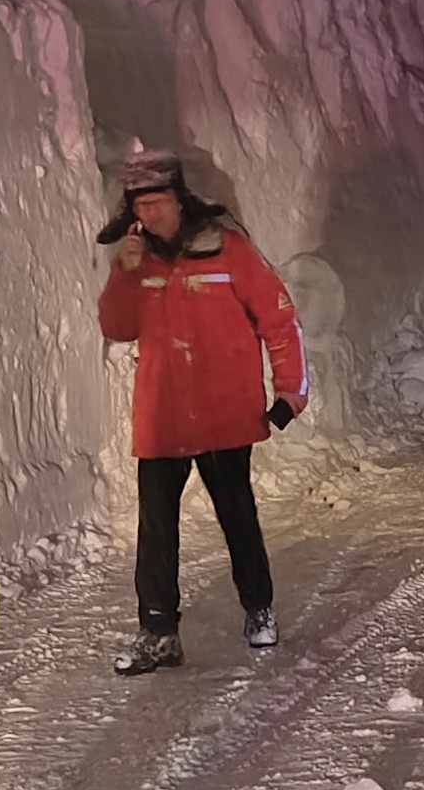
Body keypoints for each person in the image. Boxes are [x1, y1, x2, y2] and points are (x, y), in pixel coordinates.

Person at [95, 146, 308, 674]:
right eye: (139, 205)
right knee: (156, 530)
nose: (148, 214)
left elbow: (280, 319)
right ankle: (159, 632)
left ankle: (259, 608)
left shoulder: (227, 250)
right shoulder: (136, 262)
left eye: (156, 202)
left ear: (179, 200)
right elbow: (117, 327)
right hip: (162, 417)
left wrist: (290, 393)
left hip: (224, 413)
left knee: (238, 516)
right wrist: (123, 273)